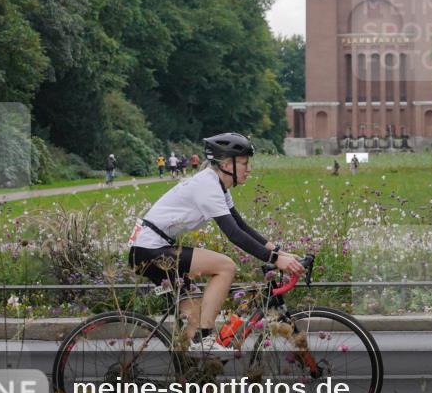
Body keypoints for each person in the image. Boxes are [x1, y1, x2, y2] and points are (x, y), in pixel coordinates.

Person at [128, 133, 304, 356]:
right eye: (243, 163)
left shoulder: (218, 186)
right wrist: (275, 260)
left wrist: (279, 252)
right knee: (226, 266)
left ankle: (190, 378)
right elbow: (233, 234)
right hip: (149, 250)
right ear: (225, 164)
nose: (248, 169)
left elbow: (242, 226)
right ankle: (205, 338)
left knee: (194, 317)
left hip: (152, 249)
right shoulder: (207, 185)